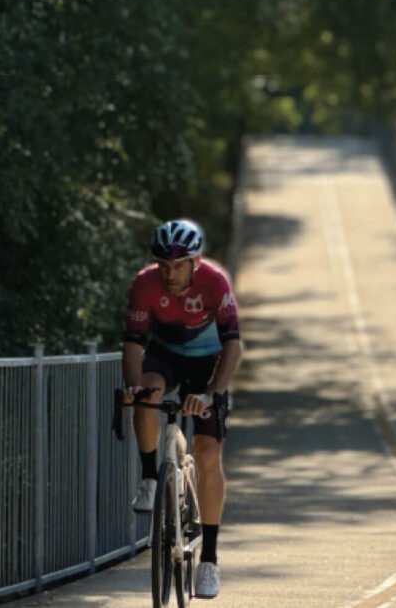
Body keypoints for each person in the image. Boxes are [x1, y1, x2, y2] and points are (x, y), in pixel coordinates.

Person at [122, 218, 242, 600]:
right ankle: (150, 478)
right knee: (146, 395)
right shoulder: (144, 284)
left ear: (195, 262)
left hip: (208, 364)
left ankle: (209, 559)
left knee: (207, 453)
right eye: (163, 265)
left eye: (177, 266)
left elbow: (234, 346)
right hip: (166, 356)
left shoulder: (215, 283)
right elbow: (134, 344)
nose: (169, 274)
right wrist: (134, 384)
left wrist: (212, 393)